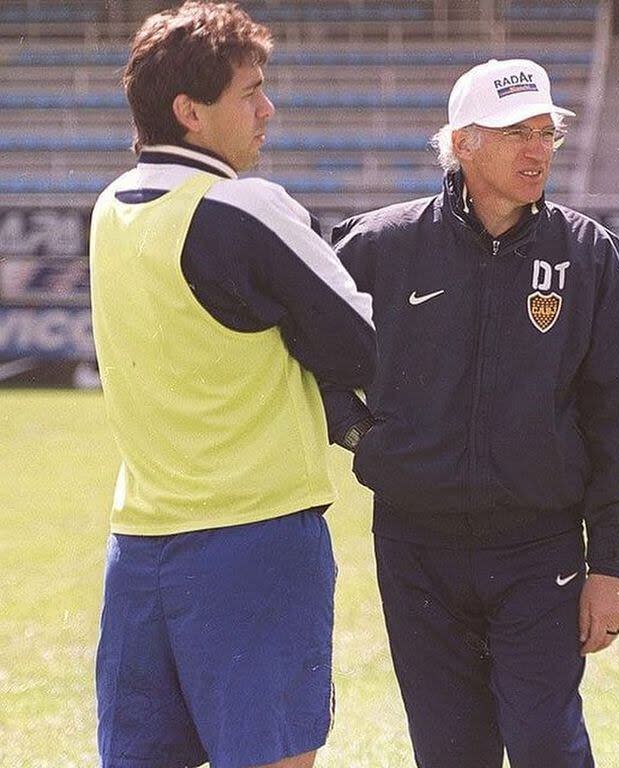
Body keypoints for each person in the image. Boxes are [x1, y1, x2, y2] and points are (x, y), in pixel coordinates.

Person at [324, 59, 619, 767]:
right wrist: (360, 437)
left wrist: (612, 566)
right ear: (463, 143)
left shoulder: (588, 256)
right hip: (416, 550)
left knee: (545, 743)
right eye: (516, 134)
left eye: (546, 134)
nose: (538, 151)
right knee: (449, 753)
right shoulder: (381, 245)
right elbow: (299, 353)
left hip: (541, 552)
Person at [89, 3, 376, 767]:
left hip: (140, 545)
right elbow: (367, 347)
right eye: (249, 92)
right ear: (189, 113)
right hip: (258, 540)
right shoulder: (245, 204)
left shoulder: (108, 209)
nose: (267, 108)